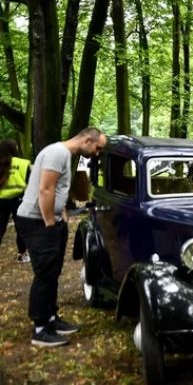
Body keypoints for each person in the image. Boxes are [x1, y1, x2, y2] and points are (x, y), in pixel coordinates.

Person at [16, 128, 106, 347]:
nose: (97, 153)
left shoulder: (64, 155)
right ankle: (40, 329)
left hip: (51, 220)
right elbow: (45, 189)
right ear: (87, 140)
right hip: (37, 221)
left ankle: (51, 318)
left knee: (53, 272)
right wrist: (49, 221)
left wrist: (62, 214)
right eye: (97, 147)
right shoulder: (56, 153)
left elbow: (58, 190)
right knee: (45, 274)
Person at [0, 140, 30, 263]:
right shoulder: (23, 163)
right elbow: (30, 182)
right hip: (19, 199)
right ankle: (22, 254)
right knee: (21, 227)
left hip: (0, 200)